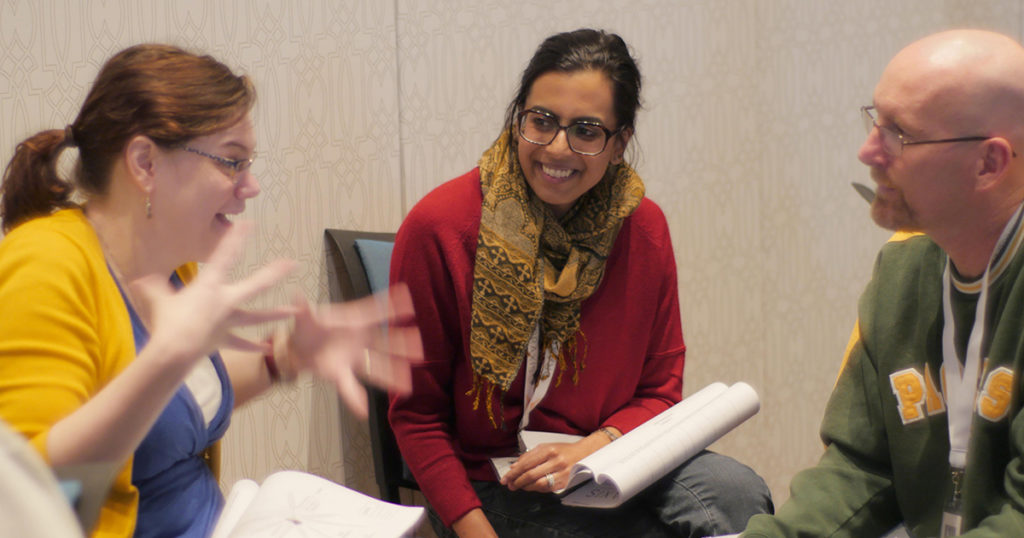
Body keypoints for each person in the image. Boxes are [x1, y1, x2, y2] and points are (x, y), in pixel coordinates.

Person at [0, 44, 422, 538]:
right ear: (145, 163)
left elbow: (181, 406)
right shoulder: (45, 264)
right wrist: (166, 362)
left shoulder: (172, 263)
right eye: (231, 162)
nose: (251, 185)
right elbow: (38, 502)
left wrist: (284, 355)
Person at [389, 28, 772, 538]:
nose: (557, 148)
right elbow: (418, 417)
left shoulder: (643, 226)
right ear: (517, 118)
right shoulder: (440, 228)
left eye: (586, 131)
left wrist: (592, 448)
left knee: (736, 491)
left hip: (613, 458)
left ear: (620, 144)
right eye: (540, 122)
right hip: (490, 482)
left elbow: (660, 391)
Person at [742, 29, 1024, 537]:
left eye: (900, 134)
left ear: (988, 163)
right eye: (875, 120)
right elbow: (861, 469)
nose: (868, 152)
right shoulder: (903, 273)